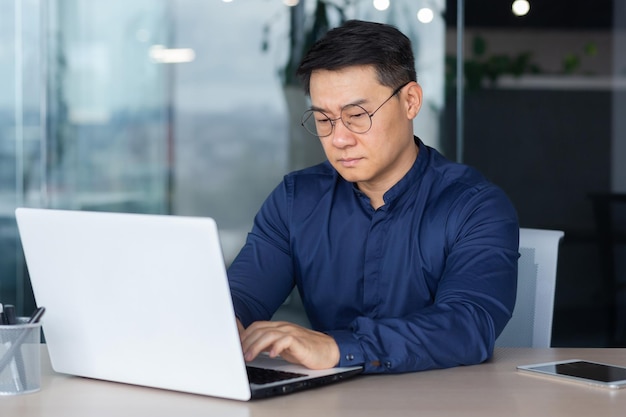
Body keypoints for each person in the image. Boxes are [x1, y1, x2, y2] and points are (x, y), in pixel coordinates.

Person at [227, 19, 519, 374]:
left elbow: (467, 325)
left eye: (357, 115)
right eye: (323, 120)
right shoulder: (295, 200)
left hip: (441, 402)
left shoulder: (474, 205)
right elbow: (241, 296)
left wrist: (338, 348)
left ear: (410, 101)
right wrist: (224, 322)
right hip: (326, 402)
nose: (339, 139)